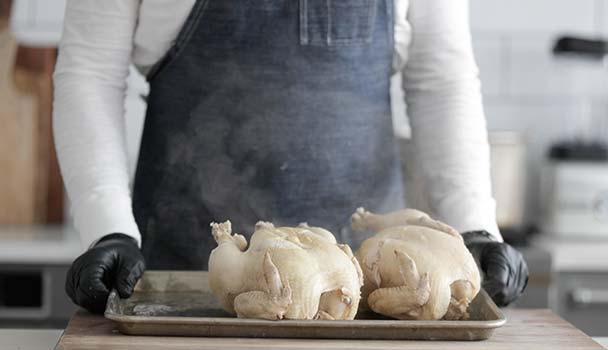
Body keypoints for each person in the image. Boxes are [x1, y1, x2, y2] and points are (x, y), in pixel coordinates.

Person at [54, 0, 528, 314]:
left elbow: (441, 82)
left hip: (372, 292)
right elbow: (90, 71)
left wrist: (474, 228)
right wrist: (106, 227)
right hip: (182, 287)